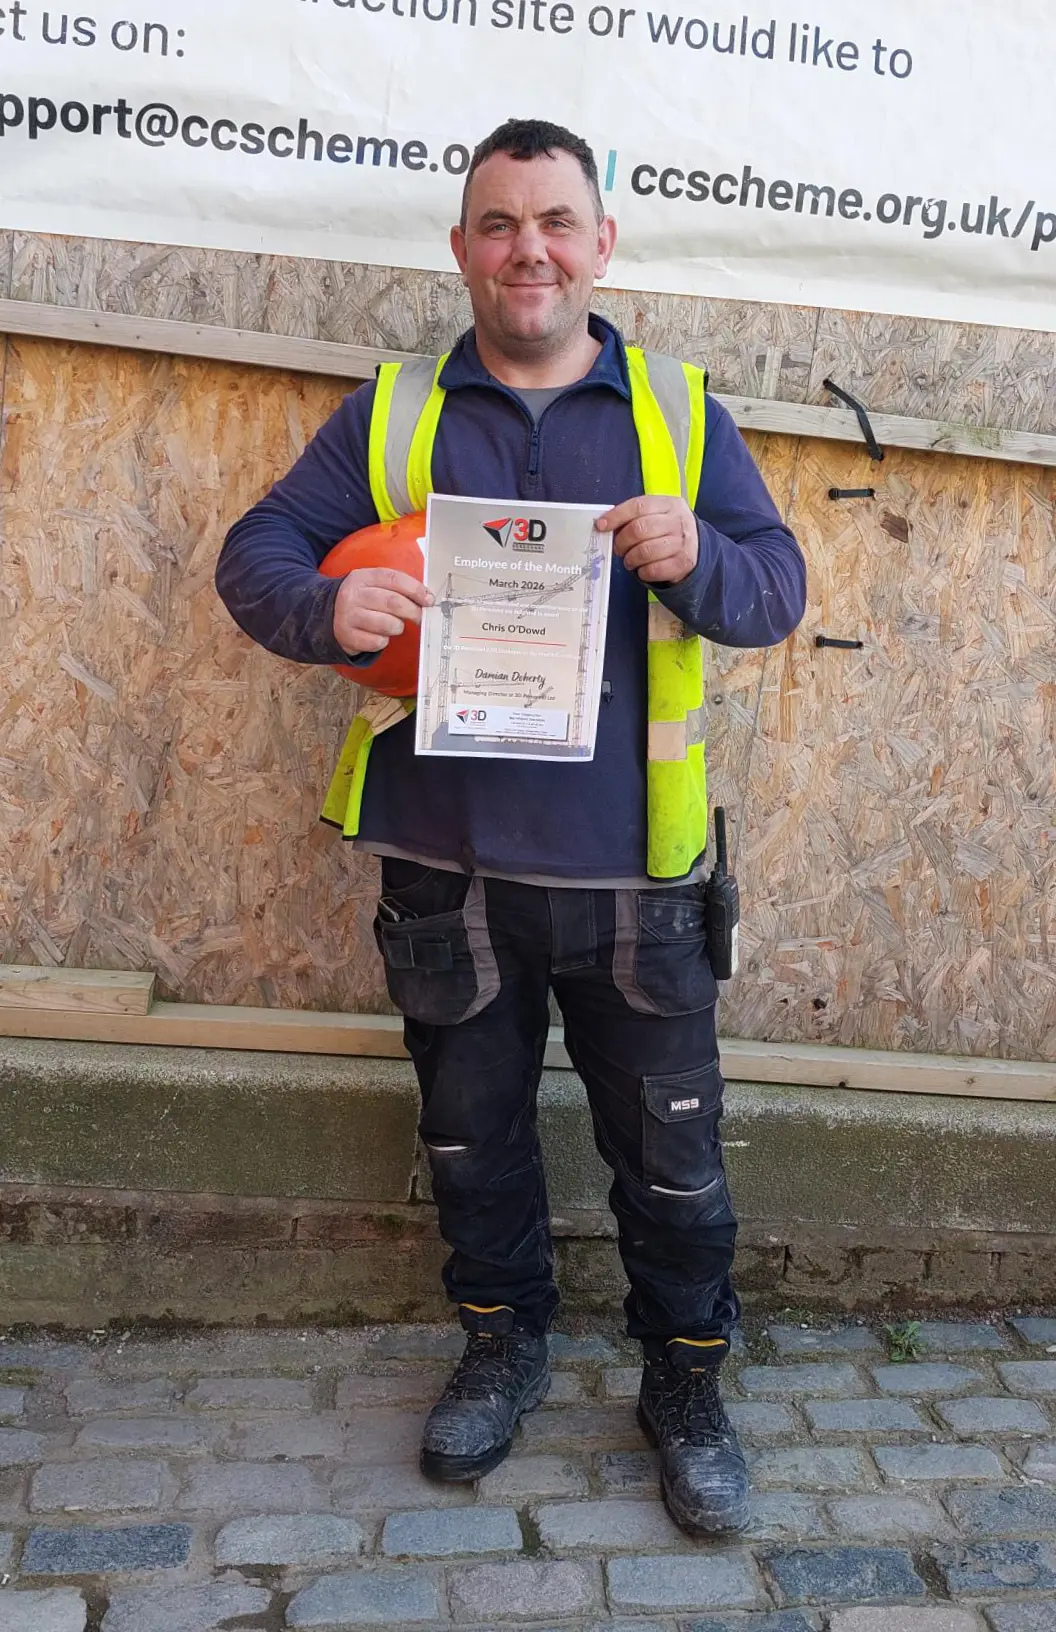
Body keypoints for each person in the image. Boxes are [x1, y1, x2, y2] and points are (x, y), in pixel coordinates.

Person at [216, 117, 806, 1536]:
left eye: (555, 222)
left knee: (673, 1160)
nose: (527, 248)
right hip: (451, 868)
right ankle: (502, 1342)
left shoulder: (675, 411)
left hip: (635, 878)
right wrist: (323, 611)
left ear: (601, 245)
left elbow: (776, 591)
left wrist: (701, 556)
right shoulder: (398, 412)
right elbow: (260, 553)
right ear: (463, 248)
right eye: (498, 223)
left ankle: (685, 1378)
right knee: (471, 1143)